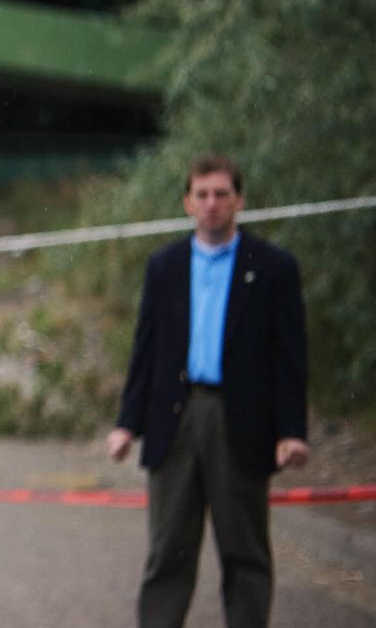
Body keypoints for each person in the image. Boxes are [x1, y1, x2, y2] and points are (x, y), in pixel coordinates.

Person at [108, 155, 309, 628]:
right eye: (202, 195)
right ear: (187, 203)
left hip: (240, 421)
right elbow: (146, 351)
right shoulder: (165, 267)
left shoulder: (273, 268)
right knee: (167, 552)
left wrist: (291, 430)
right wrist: (126, 423)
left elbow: (290, 359)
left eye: (221, 194)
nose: (212, 204)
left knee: (245, 554)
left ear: (239, 200)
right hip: (175, 419)